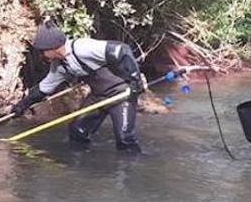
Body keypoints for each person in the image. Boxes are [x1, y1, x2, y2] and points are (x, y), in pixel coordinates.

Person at [9, 21, 148, 153]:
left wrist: (135, 80)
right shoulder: (59, 67)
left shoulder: (82, 47)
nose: (42, 55)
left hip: (122, 94)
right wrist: (22, 106)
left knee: (125, 139)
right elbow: (43, 89)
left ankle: (132, 169)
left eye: (43, 51)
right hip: (98, 97)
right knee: (77, 130)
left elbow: (121, 50)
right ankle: (80, 165)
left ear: (52, 48)